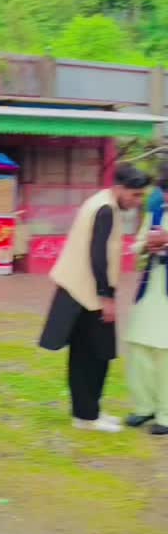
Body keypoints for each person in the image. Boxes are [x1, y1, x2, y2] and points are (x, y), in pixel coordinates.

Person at [39, 163, 149, 432]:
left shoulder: (101, 202)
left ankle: (88, 412)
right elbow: (98, 256)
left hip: (82, 290)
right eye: (135, 195)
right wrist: (106, 297)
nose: (137, 201)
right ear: (120, 188)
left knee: (89, 354)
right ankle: (87, 417)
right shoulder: (105, 209)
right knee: (93, 355)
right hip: (87, 294)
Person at [124, 174, 168, 434]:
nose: (166, 196)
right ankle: (144, 407)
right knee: (138, 345)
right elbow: (137, 244)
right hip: (151, 287)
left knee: (165, 354)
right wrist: (146, 246)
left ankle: (165, 413)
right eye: (165, 190)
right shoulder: (156, 211)